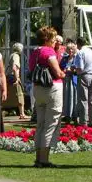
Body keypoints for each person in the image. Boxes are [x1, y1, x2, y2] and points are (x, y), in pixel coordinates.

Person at [29, 26, 64, 167]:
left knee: (41, 124)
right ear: (47, 39)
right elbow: (57, 72)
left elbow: (31, 69)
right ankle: (44, 159)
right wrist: (64, 73)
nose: (55, 40)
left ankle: (38, 158)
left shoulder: (34, 52)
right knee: (51, 124)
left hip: (38, 88)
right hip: (52, 88)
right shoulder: (48, 51)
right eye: (53, 38)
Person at [74, 37, 92, 127]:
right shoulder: (91, 51)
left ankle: (83, 121)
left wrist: (74, 70)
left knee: (83, 100)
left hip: (83, 75)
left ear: (78, 44)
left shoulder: (80, 53)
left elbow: (80, 67)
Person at [61, 40, 78, 122]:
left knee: (73, 97)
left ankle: (74, 115)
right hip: (65, 80)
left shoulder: (77, 58)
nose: (70, 51)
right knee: (66, 97)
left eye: (72, 49)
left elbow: (79, 69)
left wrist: (72, 70)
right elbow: (60, 67)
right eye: (69, 49)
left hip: (73, 79)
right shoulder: (64, 58)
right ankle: (67, 114)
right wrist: (64, 70)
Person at [8, 43, 26, 118]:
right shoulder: (16, 56)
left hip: (10, 76)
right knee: (20, 94)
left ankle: (21, 113)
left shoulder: (11, 55)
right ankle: (22, 114)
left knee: (14, 95)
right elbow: (14, 68)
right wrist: (17, 78)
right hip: (14, 76)